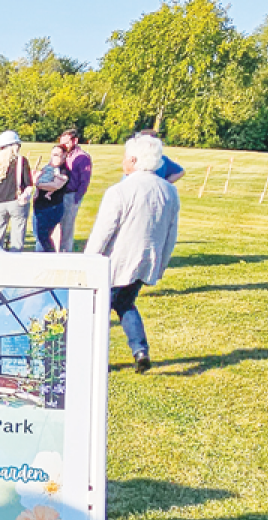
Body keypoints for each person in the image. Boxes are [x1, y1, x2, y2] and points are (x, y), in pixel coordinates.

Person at [85, 134, 180, 373]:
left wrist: (88, 260)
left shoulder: (120, 190)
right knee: (126, 304)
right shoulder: (169, 191)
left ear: (135, 160)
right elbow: (171, 234)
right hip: (146, 261)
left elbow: (103, 232)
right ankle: (140, 351)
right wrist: (161, 264)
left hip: (115, 263)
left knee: (97, 311)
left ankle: (94, 359)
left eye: (126, 157)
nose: (123, 161)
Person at [0, 131, 34, 251]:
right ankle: (15, 259)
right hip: (16, 201)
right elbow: (28, 183)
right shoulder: (21, 161)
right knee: (17, 236)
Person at [57, 129, 92, 251]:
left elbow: (85, 180)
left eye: (66, 143)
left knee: (67, 227)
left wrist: (77, 198)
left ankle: (66, 253)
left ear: (75, 141)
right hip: (58, 194)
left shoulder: (82, 157)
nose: (64, 146)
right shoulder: (64, 154)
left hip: (71, 195)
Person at [32, 145, 69, 253]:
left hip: (52, 208)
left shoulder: (63, 171)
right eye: (52, 155)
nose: (54, 157)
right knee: (38, 236)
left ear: (64, 156)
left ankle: (49, 256)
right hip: (39, 206)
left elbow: (55, 186)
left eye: (57, 155)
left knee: (44, 237)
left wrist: (38, 184)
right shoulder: (46, 168)